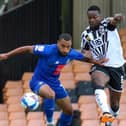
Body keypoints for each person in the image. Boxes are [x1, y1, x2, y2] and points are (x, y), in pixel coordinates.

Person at [0, 33, 107, 126]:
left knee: (69, 111)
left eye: (68, 47)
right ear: (57, 43)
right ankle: (50, 123)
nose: (65, 49)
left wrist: (96, 62)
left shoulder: (71, 53)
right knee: (50, 94)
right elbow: (27, 48)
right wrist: (7, 55)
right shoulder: (47, 50)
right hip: (38, 81)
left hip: (54, 83)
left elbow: (84, 58)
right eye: (63, 46)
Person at [81, 5, 125, 126]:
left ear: (99, 17)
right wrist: (91, 58)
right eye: (89, 18)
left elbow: (113, 22)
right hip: (101, 66)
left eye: (94, 17)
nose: (91, 20)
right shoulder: (86, 34)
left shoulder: (106, 25)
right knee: (97, 82)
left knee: (115, 105)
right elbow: (84, 52)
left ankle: (111, 117)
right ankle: (105, 113)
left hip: (117, 67)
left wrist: (117, 18)